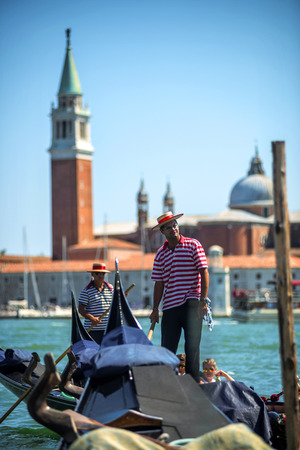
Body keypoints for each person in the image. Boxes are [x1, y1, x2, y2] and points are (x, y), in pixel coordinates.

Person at [150, 211, 210, 382]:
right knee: (167, 350)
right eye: (168, 227)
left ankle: (193, 386)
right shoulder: (160, 254)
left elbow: (204, 273)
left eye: (174, 224)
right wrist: (155, 309)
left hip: (192, 304)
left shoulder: (193, 245)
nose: (173, 229)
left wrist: (203, 301)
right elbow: (159, 283)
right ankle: (168, 385)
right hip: (169, 307)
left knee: (192, 349)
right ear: (162, 232)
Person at [78, 262, 113, 345]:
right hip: (92, 330)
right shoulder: (86, 291)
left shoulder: (111, 289)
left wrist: (122, 297)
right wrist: (92, 318)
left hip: (108, 330)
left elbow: (116, 304)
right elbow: (81, 309)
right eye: (97, 273)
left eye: (102, 273)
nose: (100, 276)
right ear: (92, 274)